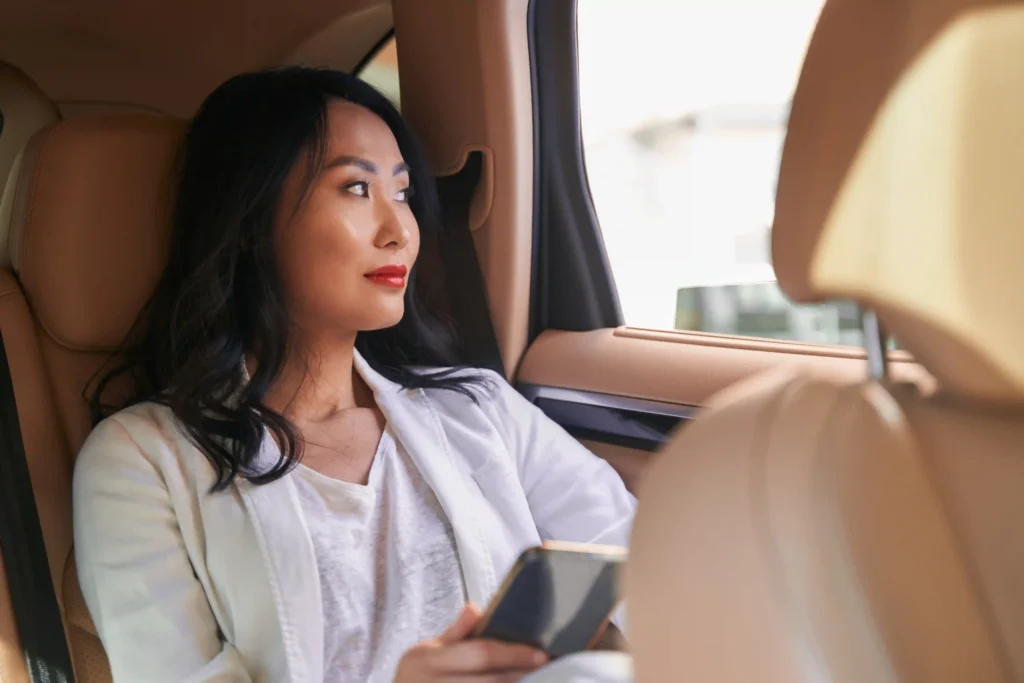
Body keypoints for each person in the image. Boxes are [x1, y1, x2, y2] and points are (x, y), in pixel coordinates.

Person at [72, 66, 636, 683]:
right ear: (251, 222)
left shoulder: (480, 407)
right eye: (356, 190)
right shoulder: (139, 460)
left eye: (401, 193)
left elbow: (638, 560)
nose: (399, 232)